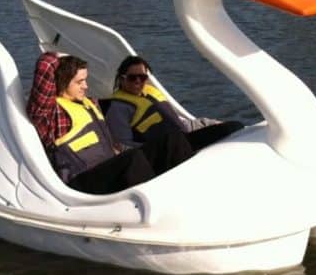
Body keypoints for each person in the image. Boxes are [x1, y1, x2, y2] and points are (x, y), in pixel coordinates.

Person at [26, 53, 194, 194]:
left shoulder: (89, 104)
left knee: (172, 142)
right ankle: (159, 202)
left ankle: (188, 189)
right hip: (81, 180)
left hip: (108, 167)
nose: (86, 86)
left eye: (85, 80)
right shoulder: (50, 113)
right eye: (79, 82)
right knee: (132, 160)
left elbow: (115, 145)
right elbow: (45, 65)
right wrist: (61, 56)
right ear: (62, 82)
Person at [104, 56, 243, 151]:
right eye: (133, 77)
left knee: (233, 127)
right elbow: (124, 145)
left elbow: (180, 122)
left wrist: (209, 123)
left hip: (183, 140)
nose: (138, 81)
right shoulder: (118, 109)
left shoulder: (151, 93)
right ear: (122, 79)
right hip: (165, 150)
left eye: (142, 77)